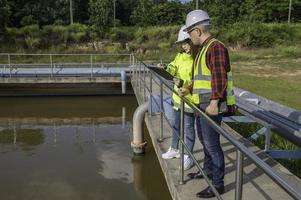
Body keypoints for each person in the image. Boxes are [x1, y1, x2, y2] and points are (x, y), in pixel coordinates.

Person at [181, 10, 236, 198]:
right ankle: (207, 171)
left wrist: (214, 103)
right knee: (205, 142)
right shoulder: (204, 48)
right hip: (200, 105)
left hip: (209, 107)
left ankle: (217, 185)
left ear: (197, 30)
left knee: (212, 146)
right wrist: (189, 88)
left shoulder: (215, 47)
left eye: (189, 32)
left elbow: (219, 78)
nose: (189, 37)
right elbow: (202, 77)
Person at [159, 25, 198, 171]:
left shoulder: (197, 58)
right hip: (177, 98)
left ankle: (189, 156)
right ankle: (174, 149)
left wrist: (183, 83)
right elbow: (173, 67)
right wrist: (165, 69)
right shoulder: (180, 56)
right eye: (182, 44)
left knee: (188, 128)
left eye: (186, 43)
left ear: (193, 40)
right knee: (176, 125)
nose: (184, 46)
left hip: (189, 99)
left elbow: (197, 81)